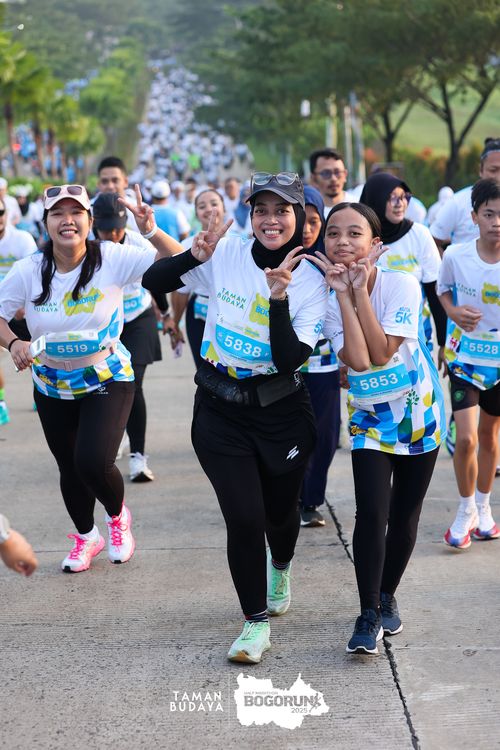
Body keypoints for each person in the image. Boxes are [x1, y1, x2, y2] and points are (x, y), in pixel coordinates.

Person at [142, 172, 328, 663]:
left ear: (299, 217)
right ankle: (254, 623)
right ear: (250, 214)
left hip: (282, 413)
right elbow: (152, 282)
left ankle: (281, 565)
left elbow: (289, 359)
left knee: (280, 515)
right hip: (220, 410)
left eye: (282, 211)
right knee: (244, 518)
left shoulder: (312, 280)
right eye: (261, 210)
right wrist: (193, 256)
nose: (270, 220)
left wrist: (278, 296)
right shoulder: (225, 253)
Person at [0, 184, 183, 573]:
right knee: (69, 466)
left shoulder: (112, 258)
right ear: (45, 223)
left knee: (92, 461)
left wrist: (150, 230)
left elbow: (178, 262)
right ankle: (86, 537)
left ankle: (117, 518)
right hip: (51, 383)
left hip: (107, 375)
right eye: (57, 213)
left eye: (76, 213)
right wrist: (14, 342)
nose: (67, 220)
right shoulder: (28, 269)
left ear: (89, 220)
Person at [307, 202, 445, 655]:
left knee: (405, 516)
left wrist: (359, 293)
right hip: (369, 417)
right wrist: (343, 296)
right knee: (371, 512)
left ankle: (387, 596)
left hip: (417, 413)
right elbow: (360, 361)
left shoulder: (401, 284)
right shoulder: (326, 301)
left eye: (354, 234)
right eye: (333, 233)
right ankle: (367, 613)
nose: (342, 242)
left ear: (375, 244)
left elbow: (384, 351)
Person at [92, 192, 176, 482]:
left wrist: (166, 315)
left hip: (138, 318)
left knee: (132, 383)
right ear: (94, 224)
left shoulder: (137, 243)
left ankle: (138, 457)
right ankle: (118, 433)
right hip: (103, 324)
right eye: (106, 230)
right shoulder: (86, 247)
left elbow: (157, 280)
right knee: (107, 386)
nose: (112, 235)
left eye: (117, 229)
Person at [437, 179, 500, 548]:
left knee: (490, 437)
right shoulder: (456, 256)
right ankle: (465, 509)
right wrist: (453, 312)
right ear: (474, 216)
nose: (496, 222)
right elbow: (442, 290)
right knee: (466, 438)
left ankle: (484, 507)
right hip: (465, 358)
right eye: (489, 214)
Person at [360, 172, 447, 356]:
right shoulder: (361, 238)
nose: (400, 203)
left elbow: (434, 291)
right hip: (370, 336)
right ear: (376, 200)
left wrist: (443, 343)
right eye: (392, 198)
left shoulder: (419, 234)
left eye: (404, 197)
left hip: (415, 335)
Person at [299, 185, 340, 527]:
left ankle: (311, 499)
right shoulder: (274, 258)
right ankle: (289, 498)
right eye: (302, 220)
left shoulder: (332, 261)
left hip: (325, 364)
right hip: (283, 366)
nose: (307, 228)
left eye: (315, 221)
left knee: (326, 437)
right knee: (290, 435)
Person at [170, 188, 228, 370]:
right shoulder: (187, 246)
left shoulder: (241, 243)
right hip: (198, 316)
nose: (209, 209)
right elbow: (181, 292)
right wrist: (175, 324)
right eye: (202, 206)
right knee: (204, 371)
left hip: (232, 313)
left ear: (224, 208)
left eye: (214, 204)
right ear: (196, 213)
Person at [0, 195, 38, 424]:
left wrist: (22, 304)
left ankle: (41, 387)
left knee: (33, 355)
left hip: (22, 307)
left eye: (0, 212)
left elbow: (35, 273)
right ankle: (1, 402)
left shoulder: (22, 239)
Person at [431, 138, 500, 254]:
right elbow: (431, 241)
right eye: (493, 170)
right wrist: (448, 263)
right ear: (480, 170)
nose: (498, 177)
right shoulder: (458, 202)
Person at [309, 148, 356, 218]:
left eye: (337, 172)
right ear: (314, 178)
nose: (333, 179)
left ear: (345, 175)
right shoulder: (310, 213)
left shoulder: (358, 206)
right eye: (326, 173)